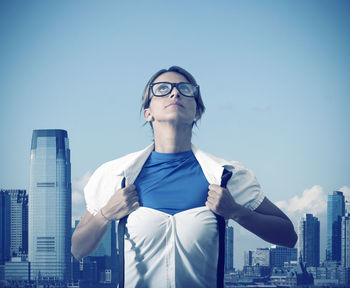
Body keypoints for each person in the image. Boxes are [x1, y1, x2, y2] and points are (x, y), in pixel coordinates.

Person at [71, 66, 297, 287]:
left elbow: (288, 236)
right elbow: (78, 249)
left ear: (197, 112)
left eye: (185, 89)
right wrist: (105, 215)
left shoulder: (226, 175)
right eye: (161, 89)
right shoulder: (115, 175)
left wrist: (237, 212)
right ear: (147, 113)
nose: (175, 92)